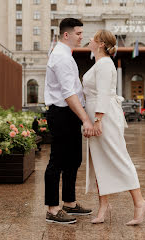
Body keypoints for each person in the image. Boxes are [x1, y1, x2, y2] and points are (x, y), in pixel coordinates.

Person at [83, 30, 145, 225]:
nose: (89, 39)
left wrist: (97, 120)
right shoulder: (99, 63)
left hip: (104, 118)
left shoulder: (105, 64)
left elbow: (104, 94)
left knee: (119, 157)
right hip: (99, 117)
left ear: (101, 44)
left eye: (92, 38)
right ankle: (104, 205)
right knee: (99, 161)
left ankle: (140, 202)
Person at [44, 18, 96, 224]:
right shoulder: (61, 57)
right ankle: (53, 209)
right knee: (57, 161)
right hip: (62, 113)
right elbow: (68, 94)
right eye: (78, 33)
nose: (82, 37)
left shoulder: (66, 55)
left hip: (70, 113)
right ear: (67, 35)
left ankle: (69, 203)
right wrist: (86, 119)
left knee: (73, 160)